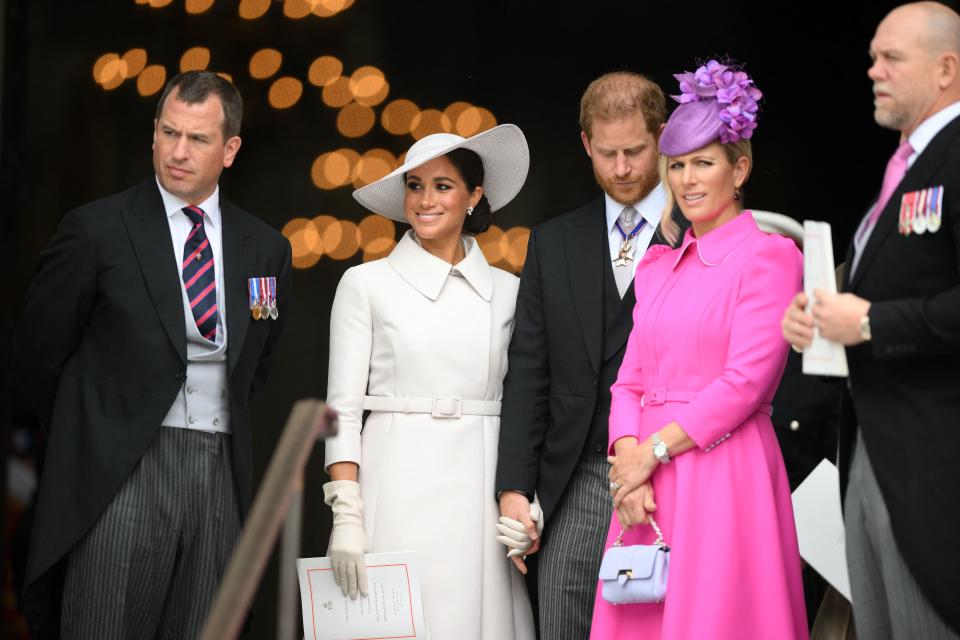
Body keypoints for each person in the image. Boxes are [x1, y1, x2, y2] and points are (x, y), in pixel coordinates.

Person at [14, 70, 292, 639]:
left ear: (230, 149)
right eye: (168, 133)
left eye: (198, 139)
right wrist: (90, 432)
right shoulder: (96, 230)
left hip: (220, 471)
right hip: (119, 469)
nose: (178, 152)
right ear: (154, 133)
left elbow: (259, 360)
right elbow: (38, 353)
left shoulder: (266, 248)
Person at [593, 60, 807, 639]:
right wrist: (629, 467)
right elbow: (627, 383)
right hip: (648, 486)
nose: (687, 180)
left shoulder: (772, 256)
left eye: (703, 164)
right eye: (678, 165)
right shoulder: (659, 265)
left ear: (739, 170)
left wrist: (651, 454)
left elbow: (745, 384)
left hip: (723, 473)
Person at [782, 2, 960, 636]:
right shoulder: (906, 167)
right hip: (869, 458)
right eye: (871, 57)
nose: (873, 70)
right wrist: (818, 319)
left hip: (933, 468)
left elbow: (889, 314)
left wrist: (875, 323)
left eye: (891, 58)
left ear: (946, 68)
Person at [322, 124, 536, 639]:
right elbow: (341, 409)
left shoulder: (509, 292)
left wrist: (527, 500)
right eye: (414, 185)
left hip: (479, 492)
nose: (425, 199)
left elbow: (529, 403)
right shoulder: (365, 284)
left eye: (442, 185)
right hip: (394, 484)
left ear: (473, 197)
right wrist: (346, 513)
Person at [494, 71, 683, 639]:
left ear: (664, 136)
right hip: (573, 476)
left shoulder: (697, 232)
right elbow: (529, 371)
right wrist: (512, 490)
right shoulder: (552, 241)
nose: (621, 168)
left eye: (635, 151)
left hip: (674, 472)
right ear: (585, 144)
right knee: (563, 619)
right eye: (607, 154)